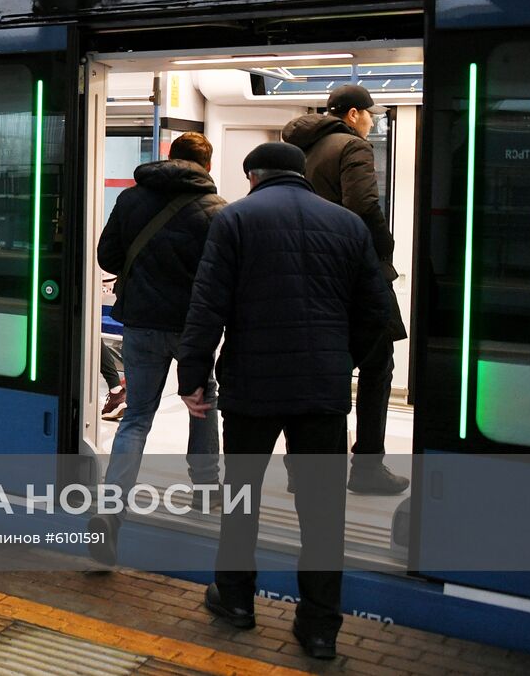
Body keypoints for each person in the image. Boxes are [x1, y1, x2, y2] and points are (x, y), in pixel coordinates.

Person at [177, 142, 389, 661]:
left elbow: (208, 304)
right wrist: (345, 359)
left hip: (253, 385)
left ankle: (235, 601)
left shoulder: (235, 220)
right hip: (322, 388)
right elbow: (376, 312)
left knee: (241, 496)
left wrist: (193, 375)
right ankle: (319, 629)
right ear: (301, 175)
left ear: (252, 175)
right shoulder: (346, 224)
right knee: (322, 512)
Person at [90, 132, 227, 562]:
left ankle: (111, 511)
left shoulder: (133, 200)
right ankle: (205, 491)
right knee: (202, 404)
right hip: (192, 328)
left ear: (169, 157)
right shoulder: (216, 210)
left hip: (142, 323)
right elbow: (221, 276)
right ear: (207, 164)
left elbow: (108, 257)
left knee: (136, 419)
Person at [282, 85, 408, 495]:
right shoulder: (353, 147)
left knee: (317, 368)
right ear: (354, 114)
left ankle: (304, 466)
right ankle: (367, 468)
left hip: (309, 275)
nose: (373, 122)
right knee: (377, 366)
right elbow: (363, 206)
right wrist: (378, 257)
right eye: (371, 115)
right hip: (356, 276)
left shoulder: (300, 152)